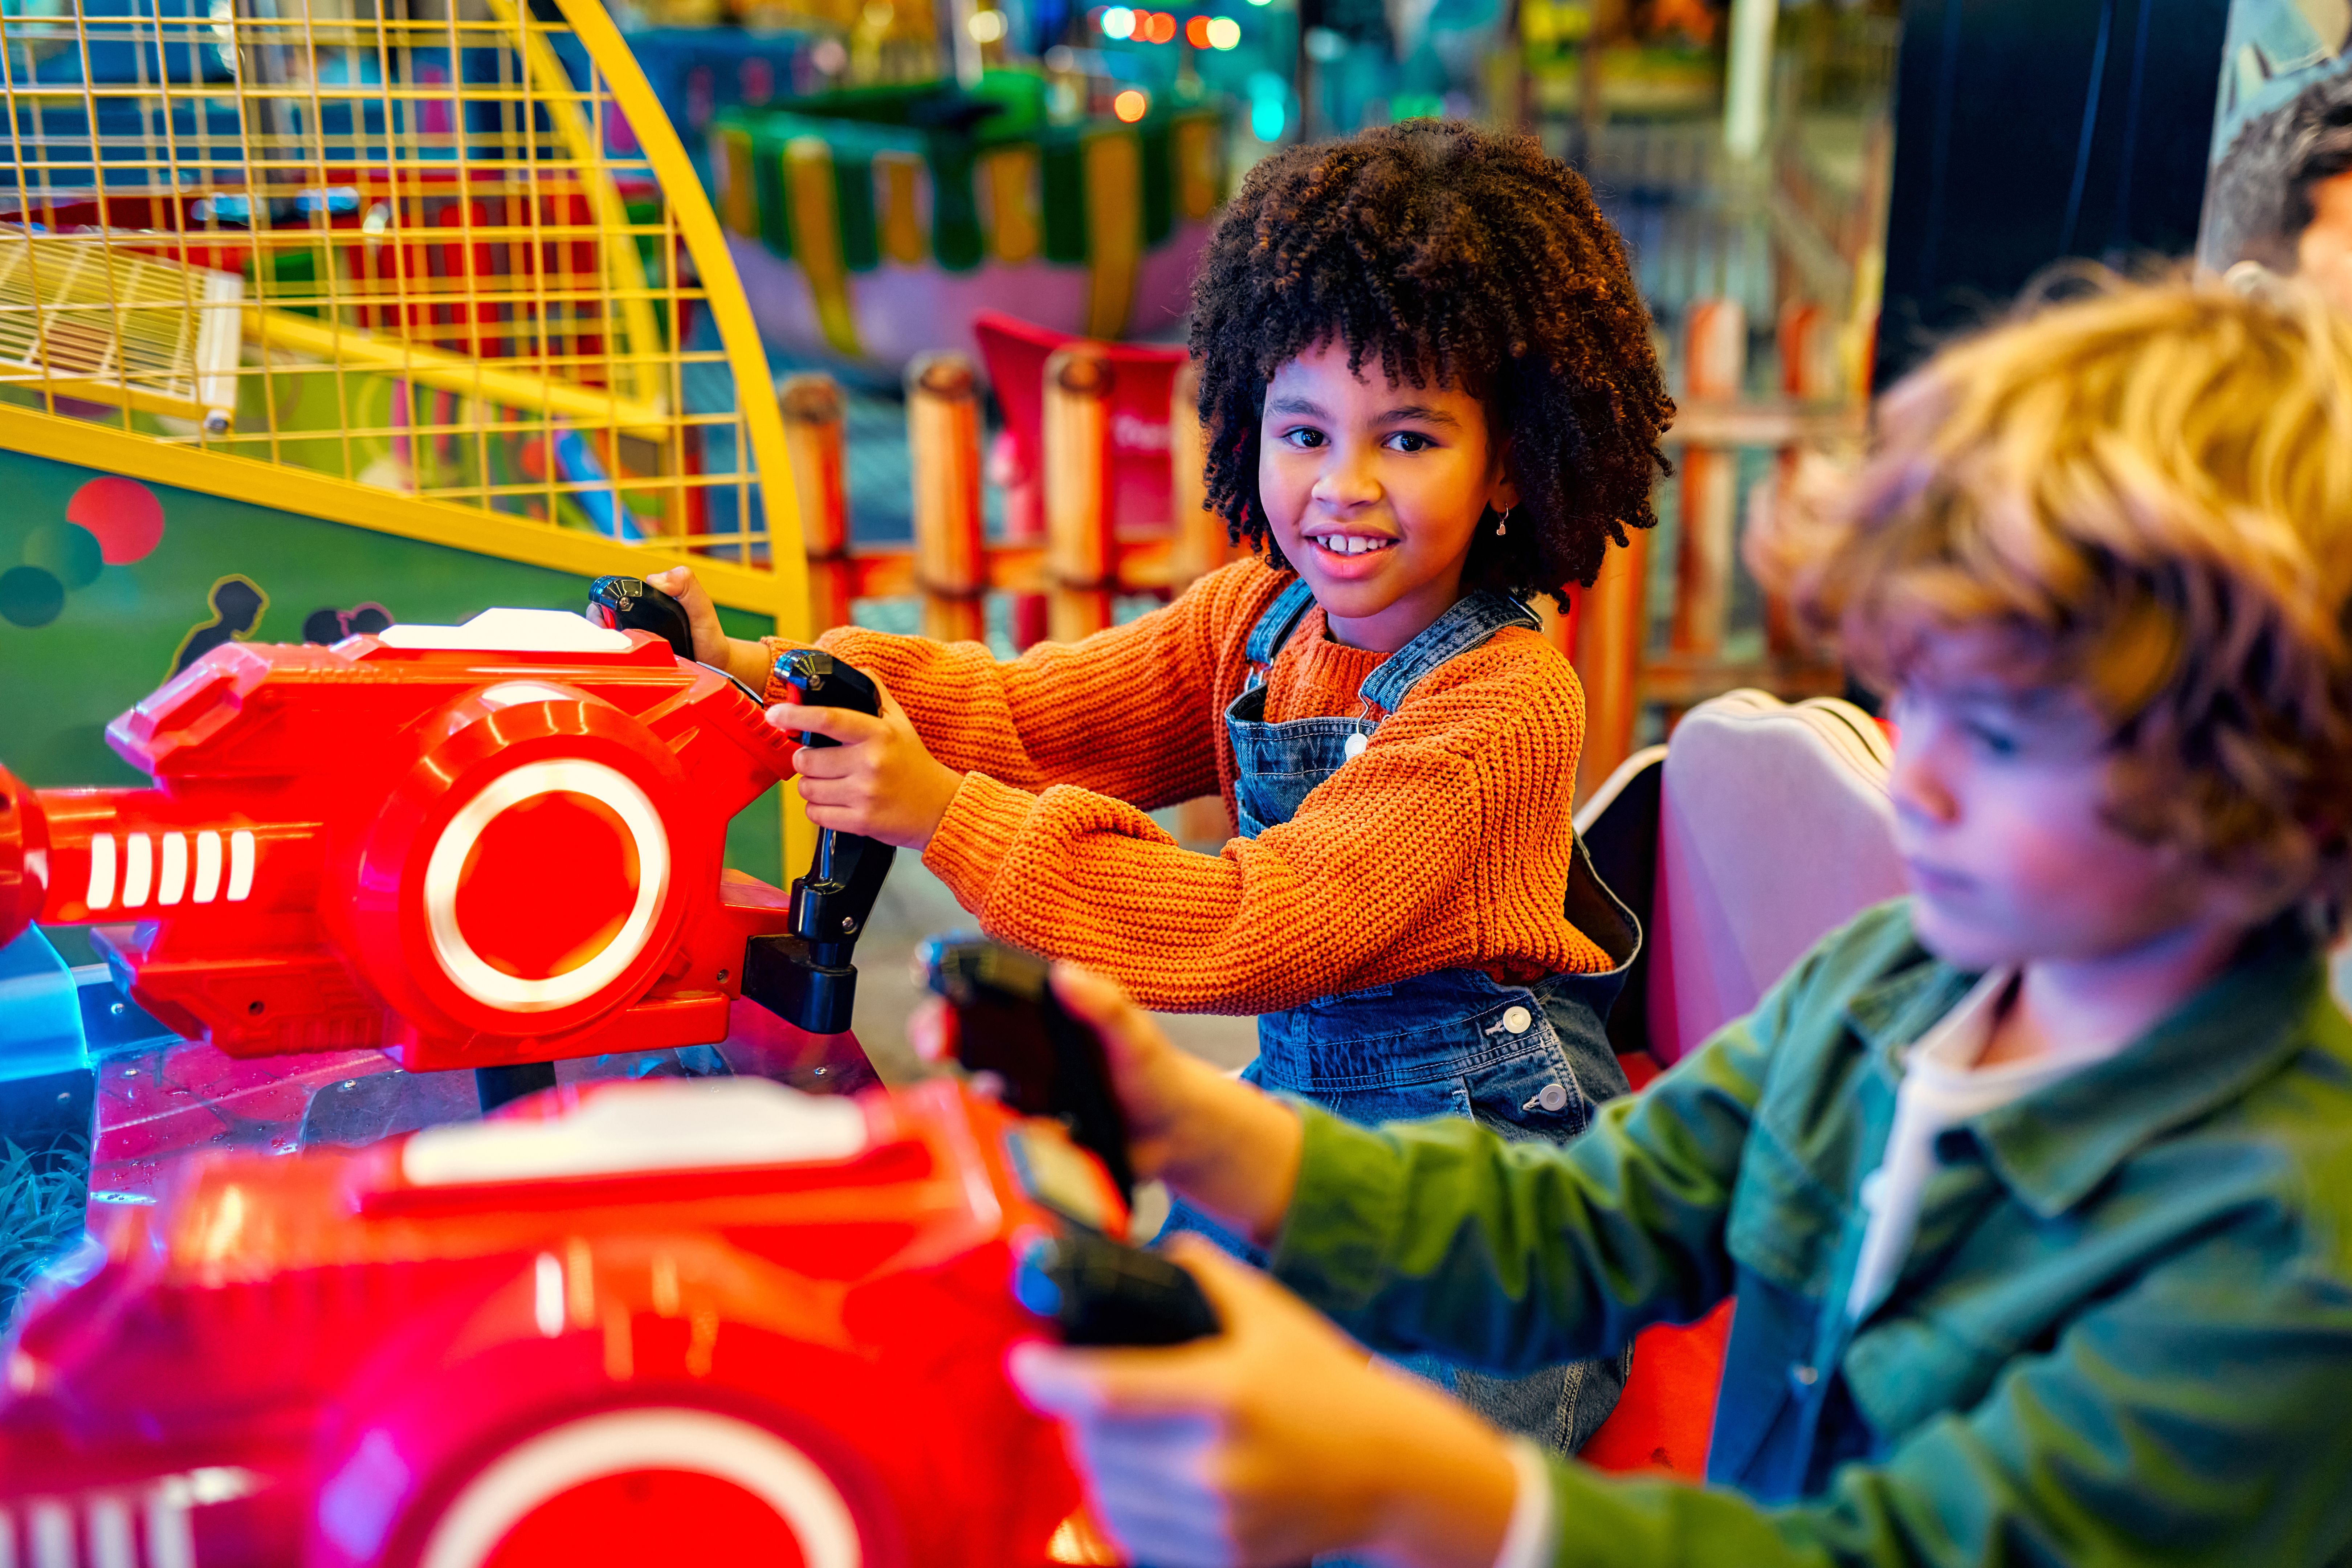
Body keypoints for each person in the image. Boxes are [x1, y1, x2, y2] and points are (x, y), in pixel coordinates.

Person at [994, 274, 2352, 1567]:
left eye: (1998, 735)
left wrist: (1410, 1486)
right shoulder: (1894, 983)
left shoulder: (2278, 1263)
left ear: (2267, 777)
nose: (1918, 781)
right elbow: (1589, 1223)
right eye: (1912, 696)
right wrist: (1189, 1121)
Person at [653, 119, 1674, 1451]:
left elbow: (1254, 923)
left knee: (1395, 1483)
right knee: (1131, 1405)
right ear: (1251, 421)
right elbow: (1032, 717)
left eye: (1411, 438)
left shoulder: (1501, 704)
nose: (1343, 487)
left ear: (1513, 466)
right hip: (1310, 1109)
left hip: (1486, 1157)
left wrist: (941, 814)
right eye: (1304, 430)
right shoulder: (1257, 618)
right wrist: (765, 670)